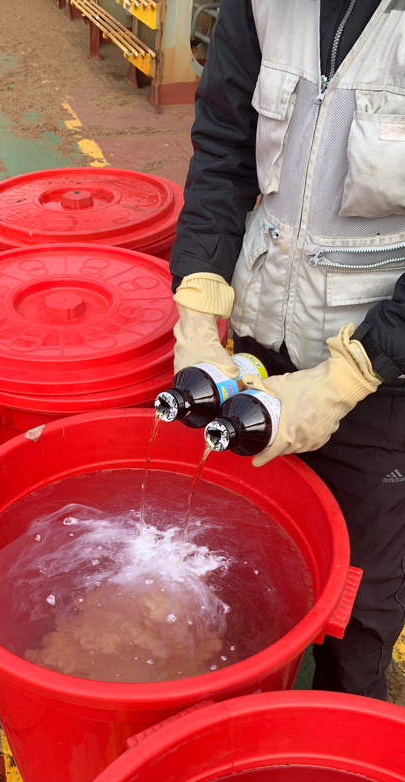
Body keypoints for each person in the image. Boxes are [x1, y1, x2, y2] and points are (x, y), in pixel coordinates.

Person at [170, 0, 405, 701]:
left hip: (379, 378)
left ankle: (336, 724)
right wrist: (198, 302)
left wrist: (347, 376)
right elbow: (222, 148)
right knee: (238, 553)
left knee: (360, 603)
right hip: (259, 343)